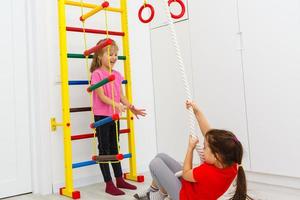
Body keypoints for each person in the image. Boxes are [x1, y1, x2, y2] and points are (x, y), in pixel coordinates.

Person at [134, 100, 253, 200]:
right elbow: (209, 134)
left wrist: (190, 148)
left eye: (205, 147)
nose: (202, 148)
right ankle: (153, 190)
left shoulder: (207, 172)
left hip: (184, 196)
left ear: (217, 156)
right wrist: (197, 112)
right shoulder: (231, 162)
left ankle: (159, 195)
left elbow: (186, 174)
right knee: (161, 156)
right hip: (191, 186)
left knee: (155, 163)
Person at [90, 38, 146, 196]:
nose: (114, 57)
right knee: (104, 149)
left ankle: (119, 179)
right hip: (102, 116)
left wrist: (131, 108)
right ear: (100, 56)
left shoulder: (117, 74)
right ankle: (109, 183)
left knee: (115, 147)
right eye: (110, 54)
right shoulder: (97, 74)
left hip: (114, 116)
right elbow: (101, 96)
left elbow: (121, 96)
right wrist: (116, 104)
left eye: (116, 54)